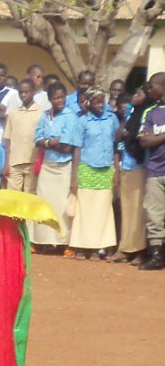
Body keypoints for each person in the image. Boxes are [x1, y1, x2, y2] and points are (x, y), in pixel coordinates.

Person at [67, 89, 120, 258]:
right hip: (86, 168)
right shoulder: (82, 121)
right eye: (96, 102)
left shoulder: (112, 119)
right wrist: (74, 178)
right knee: (85, 211)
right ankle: (82, 248)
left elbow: (116, 146)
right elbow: (77, 150)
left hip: (106, 169)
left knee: (102, 211)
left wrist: (116, 171)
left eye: (101, 101)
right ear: (89, 103)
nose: (99, 105)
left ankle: (98, 248)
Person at [32, 81, 81, 250]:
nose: (60, 100)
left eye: (62, 97)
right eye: (56, 98)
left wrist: (50, 143)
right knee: (45, 203)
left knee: (61, 207)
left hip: (64, 167)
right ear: (50, 99)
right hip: (47, 165)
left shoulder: (71, 117)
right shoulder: (45, 116)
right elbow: (37, 140)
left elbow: (67, 147)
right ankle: (42, 241)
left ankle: (61, 243)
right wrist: (49, 141)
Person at [112, 83, 148, 262]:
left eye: (138, 93)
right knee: (126, 211)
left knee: (138, 211)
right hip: (126, 165)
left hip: (138, 166)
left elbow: (138, 139)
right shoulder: (131, 114)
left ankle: (140, 250)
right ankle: (125, 248)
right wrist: (126, 121)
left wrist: (129, 134)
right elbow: (119, 136)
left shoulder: (145, 114)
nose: (134, 95)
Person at [136, 72, 165, 270]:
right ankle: (156, 256)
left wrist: (158, 136)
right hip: (155, 169)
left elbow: (151, 138)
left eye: (152, 86)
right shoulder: (150, 112)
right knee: (154, 214)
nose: (149, 90)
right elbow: (144, 140)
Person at [2, 75, 44, 192]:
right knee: (12, 196)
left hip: (32, 161)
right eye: (21, 92)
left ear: (33, 92)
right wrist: (7, 163)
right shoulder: (13, 114)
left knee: (30, 195)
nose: (23, 95)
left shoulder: (41, 113)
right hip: (15, 162)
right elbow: (8, 140)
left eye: (26, 92)